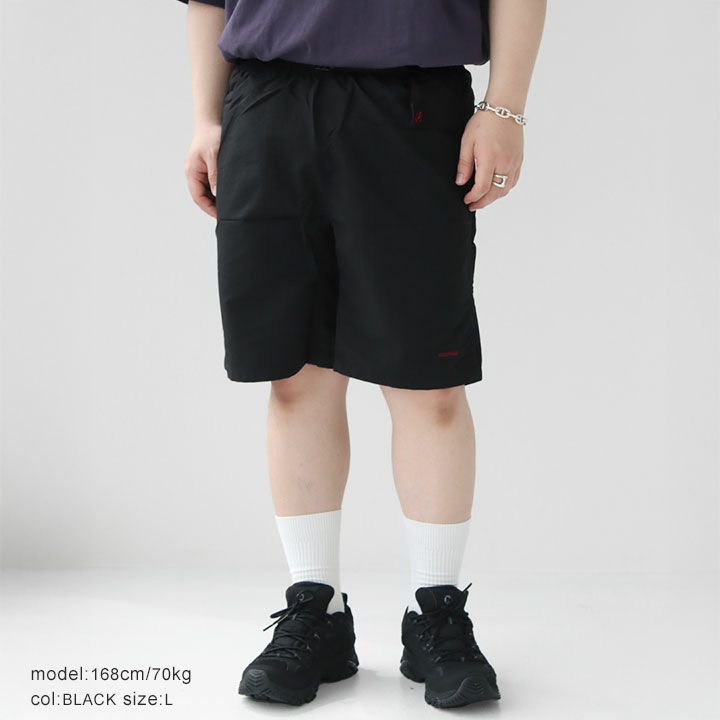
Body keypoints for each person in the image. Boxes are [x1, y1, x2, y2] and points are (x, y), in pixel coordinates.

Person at [175, 0, 545, 708]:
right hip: (269, 102)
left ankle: (436, 613)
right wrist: (205, 117)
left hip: (413, 106)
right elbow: (208, 0)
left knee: (429, 382)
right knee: (295, 376)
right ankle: (316, 609)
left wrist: (506, 108)